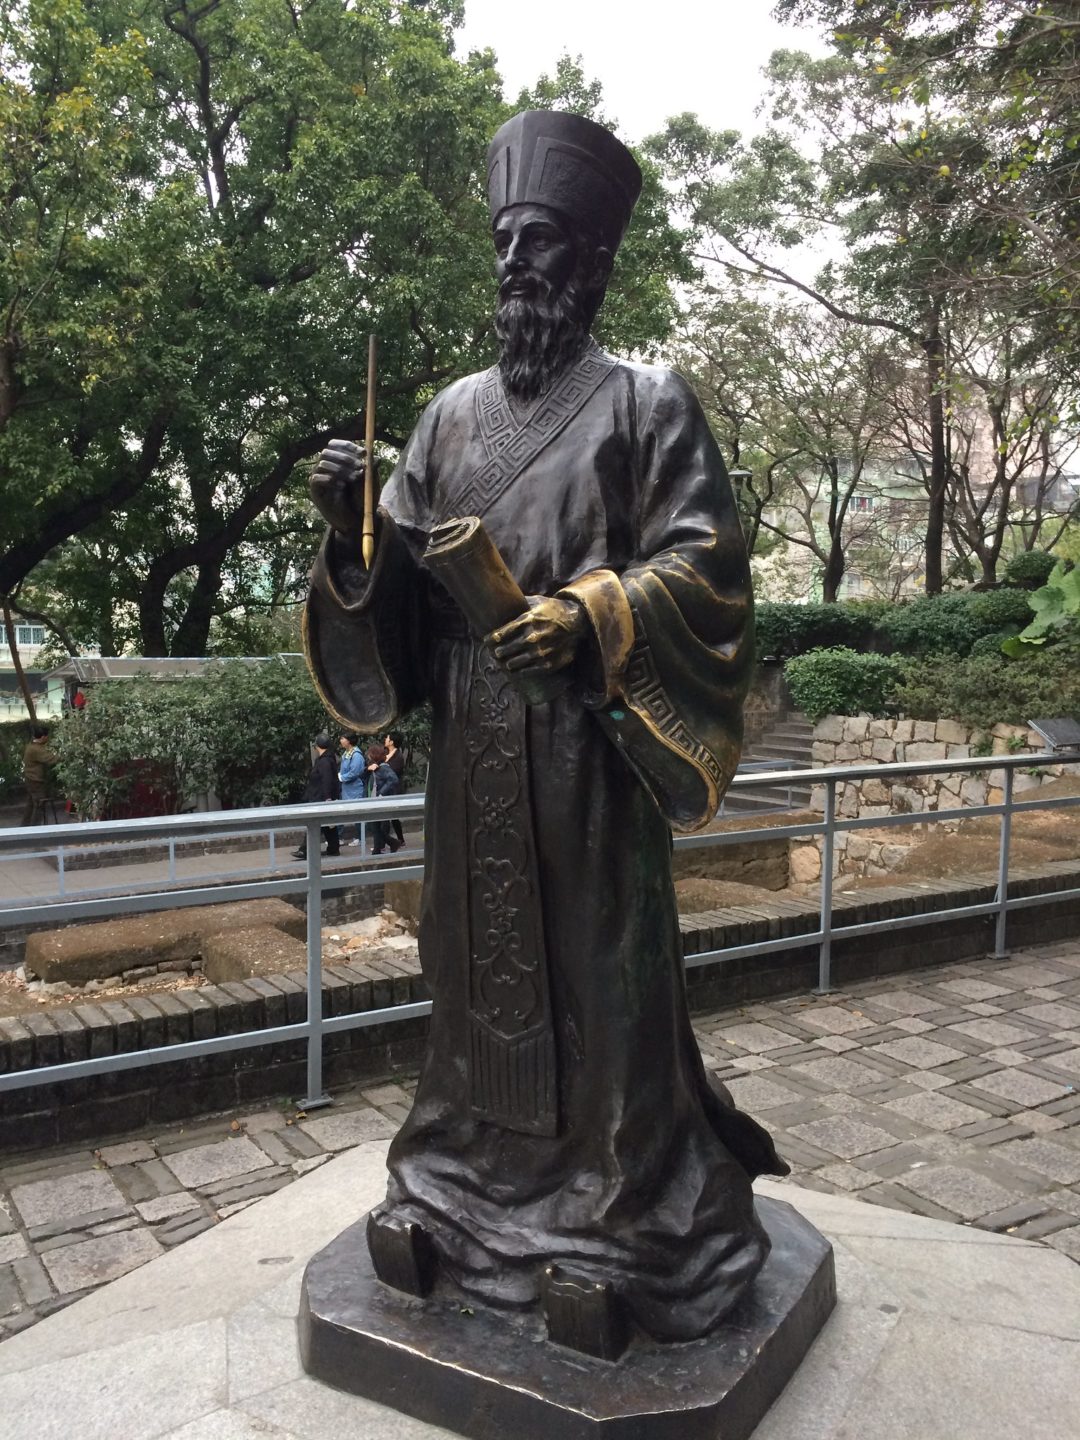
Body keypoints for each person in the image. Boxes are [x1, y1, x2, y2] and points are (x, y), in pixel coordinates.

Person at [303, 111, 786, 1344]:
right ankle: (459, 1193)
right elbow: (394, 605)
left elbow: (709, 562)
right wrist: (354, 526)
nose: (517, 262)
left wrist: (591, 611)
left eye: (543, 242)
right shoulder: (447, 419)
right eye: (505, 240)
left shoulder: (646, 403)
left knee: (596, 984)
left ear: (591, 266)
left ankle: (620, 1219)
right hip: (473, 753)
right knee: (469, 977)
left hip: (586, 755)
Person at [291, 732, 340, 859]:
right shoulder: (327, 759)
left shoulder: (324, 761)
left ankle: (305, 850)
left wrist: (327, 798)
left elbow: (327, 780)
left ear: (317, 745)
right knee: (328, 824)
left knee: (314, 823)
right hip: (323, 796)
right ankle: (333, 848)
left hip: (321, 797)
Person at [365, 742, 402, 855]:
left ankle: (386, 845)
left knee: (375, 826)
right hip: (376, 800)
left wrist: (381, 793)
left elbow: (394, 779)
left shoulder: (383, 768)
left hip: (380, 800)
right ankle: (384, 846)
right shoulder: (376, 768)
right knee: (374, 825)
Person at [21, 725, 58, 825]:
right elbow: (51, 759)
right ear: (43, 737)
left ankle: (24, 827)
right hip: (35, 780)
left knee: (31, 805)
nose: (48, 738)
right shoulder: (36, 749)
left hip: (30, 779)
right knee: (39, 805)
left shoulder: (31, 746)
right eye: (47, 736)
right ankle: (34, 829)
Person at [337, 731, 366, 847]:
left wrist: (342, 777)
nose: (341, 741)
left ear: (349, 741)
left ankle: (360, 837)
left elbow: (355, 771)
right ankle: (339, 837)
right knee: (341, 812)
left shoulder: (356, 755)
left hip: (355, 788)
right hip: (346, 788)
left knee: (358, 814)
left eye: (343, 738)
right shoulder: (347, 753)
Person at [383, 730, 406, 849]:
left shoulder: (398, 756)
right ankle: (395, 840)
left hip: (394, 789)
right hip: (385, 789)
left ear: (391, 741)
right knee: (389, 816)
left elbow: (392, 773)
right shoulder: (385, 753)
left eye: (387, 738)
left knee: (392, 816)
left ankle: (398, 840)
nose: (385, 740)